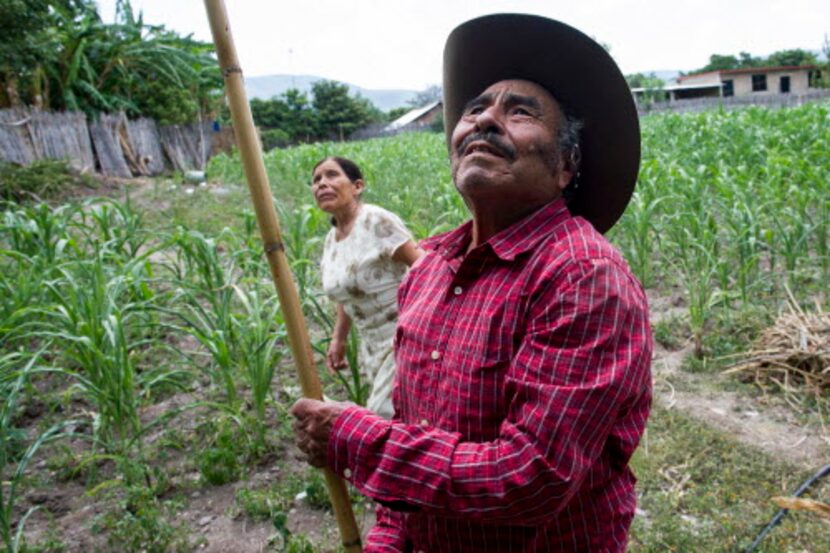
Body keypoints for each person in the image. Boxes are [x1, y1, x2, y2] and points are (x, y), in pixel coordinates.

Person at [292, 14, 652, 552]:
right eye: (475, 109)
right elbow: (415, 435)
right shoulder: (432, 269)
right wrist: (389, 538)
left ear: (566, 165)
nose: (485, 121)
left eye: (520, 112)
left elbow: (529, 479)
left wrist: (353, 438)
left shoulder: (581, 275)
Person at [311, 156, 423, 419]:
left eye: (331, 175)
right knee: (405, 416)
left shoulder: (376, 221)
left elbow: (425, 266)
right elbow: (344, 293)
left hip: (405, 335)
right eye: (316, 180)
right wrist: (338, 339)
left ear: (357, 186)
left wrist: (422, 320)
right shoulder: (331, 240)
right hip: (371, 346)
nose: (322, 184)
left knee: (382, 414)